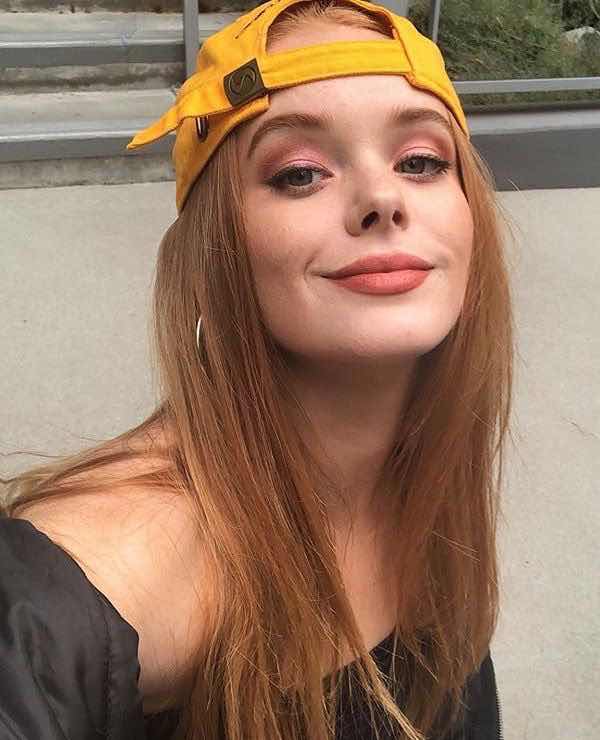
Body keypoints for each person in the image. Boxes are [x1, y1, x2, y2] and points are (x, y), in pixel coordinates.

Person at [0, 0, 514, 738]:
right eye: (300, 173)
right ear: (218, 255)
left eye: (421, 162)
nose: (382, 198)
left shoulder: (434, 484)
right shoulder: (85, 586)